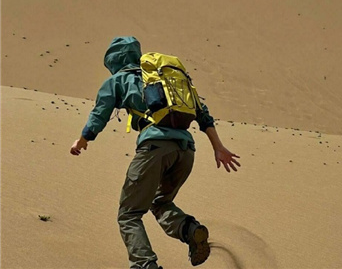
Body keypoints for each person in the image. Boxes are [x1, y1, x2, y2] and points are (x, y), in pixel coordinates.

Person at [70, 36, 241, 269]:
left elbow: (100, 114)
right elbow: (203, 113)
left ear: (113, 60)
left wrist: (82, 140)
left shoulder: (118, 80)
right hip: (186, 150)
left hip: (154, 148)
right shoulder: (165, 80)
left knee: (129, 214)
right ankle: (190, 230)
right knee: (160, 202)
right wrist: (218, 147)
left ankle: (144, 265)